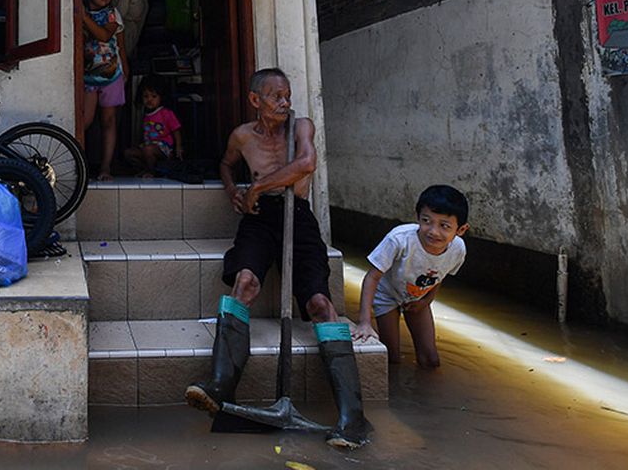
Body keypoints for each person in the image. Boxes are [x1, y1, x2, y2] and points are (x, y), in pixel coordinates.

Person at [185, 68, 370, 449]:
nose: (285, 102)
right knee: (246, 283)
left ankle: (353, 418)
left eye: (287, 95)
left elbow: (305, 164)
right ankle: (220, 386)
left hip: (297, 217)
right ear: (256, 100)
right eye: (275, 97)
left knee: (320, 303)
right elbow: (225, 163)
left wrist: (259, 186)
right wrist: (235, 189)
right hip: (258, 219)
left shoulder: (301, 126)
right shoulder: (241, 135)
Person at [351, 185, 469, 368]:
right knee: (392, 358)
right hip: (387, 295)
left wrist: (426, 301)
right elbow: (372, 277)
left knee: (430, 360)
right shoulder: (399, 239)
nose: (433, 231)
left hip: (418, 297)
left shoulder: (458, 249)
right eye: (426, 220)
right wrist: (364, 322)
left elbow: (440, 276)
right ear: (417, 218)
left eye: (444, 226)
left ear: (460, 230)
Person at [81, 0, 125, 181]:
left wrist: (83, 17)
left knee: (109, 121)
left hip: (111, 75)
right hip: (88, 78)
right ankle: (78, 165)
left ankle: (106, 167)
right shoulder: (79, 14)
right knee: (85, 121)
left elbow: (107, 36)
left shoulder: (112, 14)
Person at [123, 75, 183, 176]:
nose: (149, 100)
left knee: (148, 150)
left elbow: (176, 130)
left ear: (161, 97)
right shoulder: (146, 115)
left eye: (154, 96)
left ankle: (151, 172)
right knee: (128, 153)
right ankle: (145, 169)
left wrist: (178, 147)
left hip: (164, 148)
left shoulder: (166, 113)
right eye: (146, 96)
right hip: (148, 147)